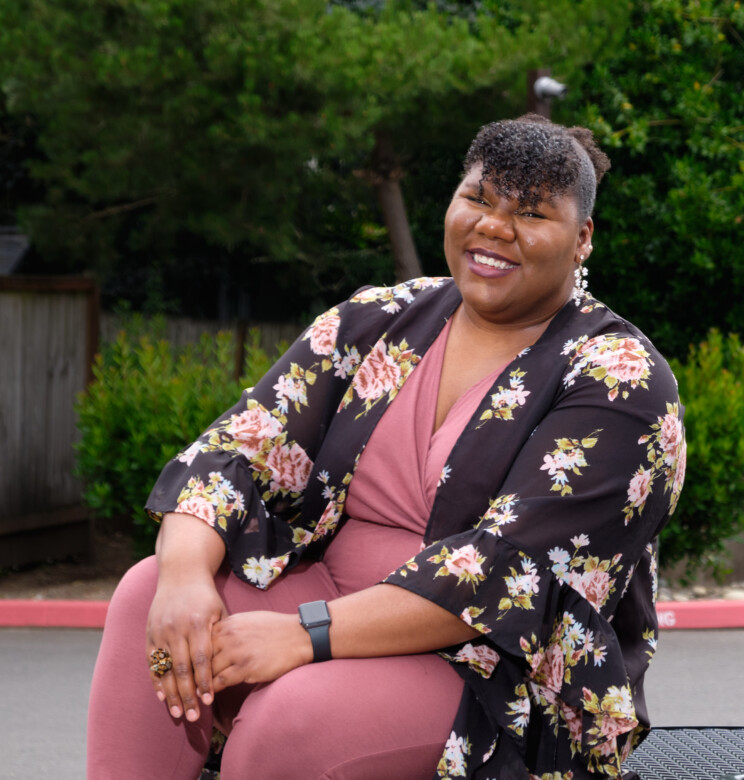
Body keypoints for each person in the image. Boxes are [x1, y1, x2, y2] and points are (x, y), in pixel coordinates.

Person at [87, 115, 686, 780]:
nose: (494, 227)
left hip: (490, 665)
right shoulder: (380, 318)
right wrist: (182, 579)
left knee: (293, 720)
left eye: (532, 214)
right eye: (478, 199)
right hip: (328, 587)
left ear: (582, 240)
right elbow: (238, 448)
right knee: (148, 596)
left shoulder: (617, 376)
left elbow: (502, 572)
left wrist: (303, 635)